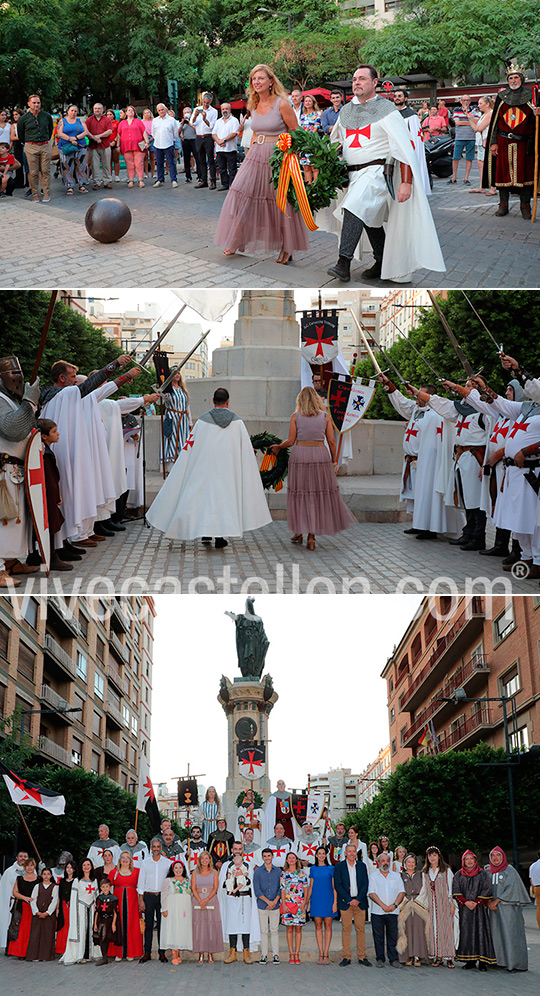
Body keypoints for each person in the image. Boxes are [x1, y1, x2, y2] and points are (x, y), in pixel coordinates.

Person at [324, 65, 445, 283]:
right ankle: (381, 261)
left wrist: (406, 182)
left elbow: (403, 147)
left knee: (354, 206)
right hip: (352, 174)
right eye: (354, 79)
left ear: (374, 82)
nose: (356, 83)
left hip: (376, 171)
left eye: (362, 79)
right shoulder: (346, 111)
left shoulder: (387, 109)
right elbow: (336, 143)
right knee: (371, 218)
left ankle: (343, 263)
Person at [147, 387, 271, 550]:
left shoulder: (203, 421)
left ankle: (206, 533)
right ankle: (219, 537)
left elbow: (190, 446)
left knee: (207, 500)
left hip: (205, 469)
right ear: (228, 402)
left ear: (213, 401)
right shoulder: (238, 422)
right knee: (223, 501)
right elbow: (245, 448)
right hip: (228, 470)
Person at [215, 64, 310, 265]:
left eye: (261, 78)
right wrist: (249, 155)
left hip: (278, 158)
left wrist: (290, 157)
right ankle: (236, 239)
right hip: (255, 155)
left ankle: (287, 248)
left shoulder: (282, 104)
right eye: (254, 79)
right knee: (241, 193)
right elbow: (256, 133)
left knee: (280, 201)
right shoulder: (253, 104)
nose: (256, 82)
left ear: (270, 81)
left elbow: (296, 132)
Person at [270, 386, 356, 552]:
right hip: (320, 456)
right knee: (316, 494)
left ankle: (298, 532)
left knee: (300, 493)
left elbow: (290, 440)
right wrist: (334, 460)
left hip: (300, 454)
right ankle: (311, 536)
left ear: (300, 400)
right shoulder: (325, 417)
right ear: (316, 399)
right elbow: (331, 441)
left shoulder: (295, 417)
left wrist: (279, 447)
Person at [411, 381, 489, 552]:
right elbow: (440, 403)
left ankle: (478, 537)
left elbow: (492, 439)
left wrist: (486, 462)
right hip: (461, 457)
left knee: (476, 500)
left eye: (469, 387)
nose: (465, 389)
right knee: (466, 497)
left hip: (475, 457)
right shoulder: (461, 410)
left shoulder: (484, 412)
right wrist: (418, 393)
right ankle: (468, 533)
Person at [0, 356, 39, 586]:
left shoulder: (9, 400)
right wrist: (29, 403)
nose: (18, 378)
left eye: (19, 372)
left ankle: (11, 561)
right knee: (4, 520)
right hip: (4, 470)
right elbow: (12, 429)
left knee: (15, 522)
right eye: (12, 374)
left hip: (15, 469)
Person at [483, 65, 540, 219]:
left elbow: (536, 124)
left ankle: (525, 206)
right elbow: (495, 122)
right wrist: (493, 142)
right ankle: (503, 205)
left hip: (524, 143)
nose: (513, 80)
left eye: (516, 77)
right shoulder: (502, 97)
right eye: (511, 78)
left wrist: (537, 113)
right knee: (503, 174)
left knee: (526, 174)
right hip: (503, 142)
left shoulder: (531, 97)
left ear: (521, 79)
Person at [488, 846, 530, 971]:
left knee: (510, 935)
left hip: (508, 909)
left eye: (498, 855)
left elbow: (512, 888)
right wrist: (489, 901)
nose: (495, 858)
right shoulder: (487, 872)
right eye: (493, 855)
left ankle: (514, 963)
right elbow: (484, 888)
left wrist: (497, 900)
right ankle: (498, 961)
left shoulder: (510, 870)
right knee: (496, 935)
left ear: (503, 857)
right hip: (493, 911)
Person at [453, 849, 496, 970]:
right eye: (467, 859)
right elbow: (456, 891)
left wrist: (477, 902)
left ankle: (483, 961)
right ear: (463, 861)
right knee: (467, 934)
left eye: (471, 859)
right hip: (465, 910)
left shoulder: (482, 874)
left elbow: (487, 889)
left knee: (481, 933)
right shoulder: (458, 874)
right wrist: (466, 902)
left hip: (480, 910)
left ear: (475, 860)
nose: (469, 861)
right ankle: (470, 961)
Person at [335, 843, 370, 967]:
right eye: (349, 851)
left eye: (353, 851)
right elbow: (338, 885)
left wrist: (358, 899)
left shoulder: (362, 866)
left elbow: (366, 884)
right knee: (346, 929)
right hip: (346, 903)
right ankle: (346, 957)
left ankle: (362, 957)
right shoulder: (339, 866)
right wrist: (349, 900)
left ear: (356, 853)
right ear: (345, 853)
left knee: (360, 929)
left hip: (360, 902)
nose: (351, 853)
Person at [368, 850, 405, 968]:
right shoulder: (373, 876)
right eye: (382, 861)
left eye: (387, 860)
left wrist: (394, 905)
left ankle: (393, 959)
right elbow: (372, 893)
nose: (385, 863)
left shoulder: (396, 876)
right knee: (378, 937)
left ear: (390, 862)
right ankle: (380, 959)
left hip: (393, 911)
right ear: (378, 862)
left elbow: (401, 892)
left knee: (392, 936)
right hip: (377, 911)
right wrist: (383, 905)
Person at [60, 859, 100, 964]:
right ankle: (80, 954)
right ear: (81, 867)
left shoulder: (94, 880)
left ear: (91, 866)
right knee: (81, 930)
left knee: (91, 930)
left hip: (91, 909)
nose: (86, 867)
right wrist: (75, 913)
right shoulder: (77, 881)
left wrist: (97, 909)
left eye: (88, 865)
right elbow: (74, 898)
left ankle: (91, 954)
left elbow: (96, 896)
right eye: (84, 865)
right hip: (80, 909)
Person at [220, 848, 257, 963]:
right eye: (235, 849)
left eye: (239, 849)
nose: (237, 851)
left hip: (244, 899)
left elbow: (251, 882)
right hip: (231, 899)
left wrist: (243, 876)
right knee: (232, 926)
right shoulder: (226, 865)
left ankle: (246, 953)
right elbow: (223, 883)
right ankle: (233, 953)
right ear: (232, 850)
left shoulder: (248, 865)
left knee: (245, 925)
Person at [137, 837, 171, 962]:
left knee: (162, 926)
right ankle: (147, 953)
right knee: (149, 926)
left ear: (161, 848)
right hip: (149, 896)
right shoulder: (145, 863)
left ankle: (162, 952)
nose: (156, 849)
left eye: (158, 846)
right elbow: (141, 883)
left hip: (162, 897)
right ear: (151, 848)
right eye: (154, 847)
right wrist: (141, 900)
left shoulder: (167, 863)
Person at [422, 846, 457, 968]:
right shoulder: (426, 872)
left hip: (444, 904)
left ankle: (449, 957)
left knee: (446, 930)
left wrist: (451, 903)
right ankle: (438, 957)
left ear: (439, 856)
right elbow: (424, 890)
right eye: (430, 855)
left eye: (434, 855)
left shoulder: (446, 870)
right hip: (432, 905)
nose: (432, 857)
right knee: (434, 930)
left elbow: (450, 888)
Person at [392, 89, 431, 195]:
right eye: (395, 96)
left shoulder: (411, 115)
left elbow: (415, 137)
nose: (397, 98)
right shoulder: (391, 114)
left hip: (406, 151)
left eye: (400, 96)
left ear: (405, 99)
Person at [16, 95, 53, 202]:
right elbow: (21, 134)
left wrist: (45, 140)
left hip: (45, 145)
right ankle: (35, 194)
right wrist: (28, 143)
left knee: (46, 170)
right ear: (29, 104)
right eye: (34, 103)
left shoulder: (46, 116)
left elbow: (50, 130)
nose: (36, 105)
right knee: (33, 172)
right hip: (30, 146)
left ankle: (46, 192)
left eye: (38, 102)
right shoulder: (23, 119)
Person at [108, 850, 143, 961]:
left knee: (132, 926)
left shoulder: (137, 872)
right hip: (118, 902)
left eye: (127, 857)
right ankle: (118, 953)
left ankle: (131, 952)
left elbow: (142, 887)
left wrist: (141, 901)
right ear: (119, 859)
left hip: (132, 903)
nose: (125, 859)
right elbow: (106, 887)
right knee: (118, 925)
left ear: (131, 860)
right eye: (123, 857)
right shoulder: (114, 872)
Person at [191, 849, 223, 963]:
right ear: (199, 860)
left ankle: (210, 953)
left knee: (211, 927)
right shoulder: (195, 872)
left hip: (211, 900)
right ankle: (200, 953)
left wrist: (207, 899)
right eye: (202, 858)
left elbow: (215, 888)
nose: (204, 860)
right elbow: (193, 888)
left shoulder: (214, 872)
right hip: (197, 900)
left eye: (206, 858)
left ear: (210, 860)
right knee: (199, 927)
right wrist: (200, 900)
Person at [397, 853, 429, 966]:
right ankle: (407, 956)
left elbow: (425, 889)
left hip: (418, 906)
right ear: (404, 864)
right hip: (405, 905)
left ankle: (419, 956)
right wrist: (406, 901)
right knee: (406, 930)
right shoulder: (399, 876)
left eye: (412, 862)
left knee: (418, 930)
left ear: (415, 864)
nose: (410, 864)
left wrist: (416, 902)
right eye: (408, 862)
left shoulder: (422, 875)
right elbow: (398, 890)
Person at [308, 846, 337, 964]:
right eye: (319, 853)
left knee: (328, 926)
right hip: (316, 900)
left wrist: (335, 903)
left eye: (323, 853)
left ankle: (326, 953)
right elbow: (310, 887)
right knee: (318, 926)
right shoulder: (313, 869)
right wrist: (306, 902)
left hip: (328, 900)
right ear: (316, 855)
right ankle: (321, 953)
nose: (321, 855)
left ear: (326, 855)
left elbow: (335, 887)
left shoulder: (331, 868)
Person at [161, 860, 193, 964]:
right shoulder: (168, 881)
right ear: (172, 869)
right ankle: (174, 953)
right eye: (176, 868)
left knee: (182, 929)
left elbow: (191, 895)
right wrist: (164, 909)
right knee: (173, 928)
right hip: (172, 908)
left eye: (180, 868)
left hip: (185, 909)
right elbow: (164, 896)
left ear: (183, 869)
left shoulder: (188, 880)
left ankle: (178, 953)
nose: (178, 870)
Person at [280, 851, 309, 963]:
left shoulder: (302, 874)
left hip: (299, 906)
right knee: (289, 929)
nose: (291, 860)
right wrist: (283, 904)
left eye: (293, 858)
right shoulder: (284, 874)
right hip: (288, 905)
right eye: (289, 858)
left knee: (298, 929)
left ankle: (297, 953)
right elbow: (282, 890)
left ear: (297, 860)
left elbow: (306, 890)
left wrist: (304, 903)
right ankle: (291, 953)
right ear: (287, 860)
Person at [253, 847, 281, 964]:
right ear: (262, 857)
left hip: (275, 905)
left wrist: (274, 901)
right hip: (262, 905)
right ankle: (263, 955)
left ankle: (276, 955)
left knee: (274, 930)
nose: (267, 858)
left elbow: (281, 888)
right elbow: (257, 890)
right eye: (265, 856)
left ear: (272, 856)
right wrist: (268, 902)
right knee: (263, 931)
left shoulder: (279, 871)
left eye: (269, 856)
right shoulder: (258, 872)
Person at [161, 370, 192, 472]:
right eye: (175, 373)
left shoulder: (183, 390)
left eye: (178, 373)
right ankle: (171, 468)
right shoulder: (168, 390)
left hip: (183, 419)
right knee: (172, 441)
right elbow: (158, 402)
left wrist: (190, 422)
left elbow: (187, 407)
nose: (177, 375)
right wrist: (161, 391)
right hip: (172, 418)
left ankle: (183, 467)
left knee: (183, 441)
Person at [7, 857, 38, 959]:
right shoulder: (19, 879)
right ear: (25, 867)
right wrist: (25, 898)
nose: (29, 868)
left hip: (34, 908)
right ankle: (20, 953)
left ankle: (31, 952)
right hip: (22, 908)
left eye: (31, 865)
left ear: (34, 866)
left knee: (32, 930)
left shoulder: (39, 879)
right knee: (21, 930)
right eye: (27, 865)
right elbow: (14, 892)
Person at [25, 868, 58, 962]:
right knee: (36, 934)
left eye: (48, 874)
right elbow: (33, 899)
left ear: (51, 876)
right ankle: (34, 956)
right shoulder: (37, 886)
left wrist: (47, 913)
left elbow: (54, 901)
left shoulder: (54, 887)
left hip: (48, 915)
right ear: (41, 875)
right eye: (44, 874)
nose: (46, 876)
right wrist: (36, 912)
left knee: (47, 935)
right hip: (38, 914)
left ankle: (46, 956)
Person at [56, 105, 90, 195]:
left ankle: (82, 184)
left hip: (80, 145)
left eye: (75, 111)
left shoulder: (80, 121)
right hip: (66, 146)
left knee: (82, 165)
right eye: (72, 110)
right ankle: (69, 185)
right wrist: (70, 139)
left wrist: (76, 138)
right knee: (66, 166)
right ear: (67, 111)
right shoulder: (62, 121)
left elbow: (86, 132)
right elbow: (59, 133)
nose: (73, 113)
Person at [466, 96, 496, 195]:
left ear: (487, 104)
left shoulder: (490, 113)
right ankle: (482, 186)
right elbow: (478, 125)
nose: (478, 106)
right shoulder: (484, 114)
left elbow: (478, 128)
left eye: (480, 104)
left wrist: (470, 120)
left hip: (486, 141)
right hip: (481, 141)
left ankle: (492, 187)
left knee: (489, 164)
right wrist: (472, 119)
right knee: (480, 164)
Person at [447, 95, 478, 185]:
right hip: (459, 137)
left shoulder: (474, 110)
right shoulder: (456, 110)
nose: (466, 102)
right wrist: (470, 121)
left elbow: (476, 121)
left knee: (469, 158)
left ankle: (466, 178)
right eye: (464, 100)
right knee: (455, 158)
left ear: (470, 101)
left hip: (471, 137)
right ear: (460, 101)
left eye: (467, 100)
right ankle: (454, 177)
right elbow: (457, 122)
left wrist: (467, 115)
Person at [118, 106, 150, 188]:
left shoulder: (138, 121)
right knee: (129, 163)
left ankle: (140, 180)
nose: (131, 112)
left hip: (139, 144)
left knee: (139, 162)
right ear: (126, 112)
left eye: (132, 110)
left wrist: (147, 142)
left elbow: (144, 132)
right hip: (126, 145)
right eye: (129, 110)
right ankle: (131, 180)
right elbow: (119, 135)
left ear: (134, 112)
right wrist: (118, 145)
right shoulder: (122, 123)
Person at [191, 93, 218, 188]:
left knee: (211, 159)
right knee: (200, 159)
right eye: (205, 102)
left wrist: (205, 119)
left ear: (211, 102)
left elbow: (212, 126)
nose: (206, 104)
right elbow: (192, 123)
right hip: (198, 137)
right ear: (202, 100)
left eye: (208, 103)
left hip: (208, 137)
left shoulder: (214, 111)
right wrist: (195, 116)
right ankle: (203, 180)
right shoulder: (196, 109)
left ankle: (213, 181)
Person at [93, 875, 120, 965]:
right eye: (103, 887)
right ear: (100, 888)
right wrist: (95, 924)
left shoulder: (114, 899)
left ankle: (105, 957)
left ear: (110, 887)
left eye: (107, 886)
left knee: (107, 937)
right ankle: (104, 957)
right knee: (101, 938)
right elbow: (97, 911)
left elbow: (115, 912)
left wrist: (113, 924)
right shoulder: (99, 898)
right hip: (101, 920)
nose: (105, 888)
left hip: (109, 920)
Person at [85, 102, 113, 189]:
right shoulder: (89, 120)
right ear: (93, 110)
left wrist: (99, 136)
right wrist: (94, 138)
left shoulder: (107, 120)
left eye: (99, 108)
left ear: (103, 110)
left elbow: (109, 131)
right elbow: (86, 132)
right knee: (94, 165)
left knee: (106, 164)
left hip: (105, 145)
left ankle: (107, 181)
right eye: (95, 108)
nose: (97, 110)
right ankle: (96, 182)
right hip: (93, 146)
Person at [212, 103, 239, 191]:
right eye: (223, 109)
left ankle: (233, 185)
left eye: (226, 109)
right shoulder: (218, 121)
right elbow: (213, 133)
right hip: (220, 149)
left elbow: (234, 133)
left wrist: (224, 140)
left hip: (230, 149)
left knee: (232, 169)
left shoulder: (234, 120)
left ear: (230, 110)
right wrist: (219, 141)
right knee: (222, 168)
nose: (224, 111)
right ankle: (225, 184)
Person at [151, 103, 179, 188]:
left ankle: (173, 179)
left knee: (171, 163)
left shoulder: (171, 120)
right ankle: (160, 179)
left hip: (169, 144)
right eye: (159, 110)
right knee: (159, 163)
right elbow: (153, 133)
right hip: (158, 145)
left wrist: (171, 141)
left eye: (162, 109)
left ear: (165, 109)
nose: (161, 111)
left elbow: (175, 134)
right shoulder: (155, 120)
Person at [298, 94, 322, 185]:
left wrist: (309, 136)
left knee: (314, 168)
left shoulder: (317, 114)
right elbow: (301, 128)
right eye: (306, 101)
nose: (307, 103)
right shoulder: (303, 116)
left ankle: (316, 189)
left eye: (309, 101)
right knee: (306, 167)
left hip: (313, 142)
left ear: (313, 102)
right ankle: (308, 189)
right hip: (304, 143)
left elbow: (316, 128)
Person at [55, 859, 77, 955]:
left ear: (74, 869)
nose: (69, 869)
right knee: (63, 927)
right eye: (67, 867)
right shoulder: (62, 881)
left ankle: (72, 950)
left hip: (73, 906)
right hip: (63, 906)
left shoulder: (77, 881)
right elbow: (59, 896)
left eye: (71, 867)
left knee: (71, 926)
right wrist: (57, 908)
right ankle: (61, 949)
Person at [179, 108, 196, 183]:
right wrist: (183, 124)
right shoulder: (182, 122)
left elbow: (197, 130)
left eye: (188, 112)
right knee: (186, 159)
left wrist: (189, 123)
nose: (187, 114)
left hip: (194, 140)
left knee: (197, 158)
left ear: (191, 113)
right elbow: (178, 132)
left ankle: (200, 175)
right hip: (186, 141)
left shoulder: (194, 121)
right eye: (185, 112)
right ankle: (188, 176)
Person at [106, 109, 121, 181]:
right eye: (107, 115)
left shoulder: (117, 123)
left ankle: (117, 175)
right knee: (109, 160)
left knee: (116, 159)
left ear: (113, 115)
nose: (109, 116)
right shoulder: (105, 123)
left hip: (114, 142)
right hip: (107, 143)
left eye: (110, 114)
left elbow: (119, 133)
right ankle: (110, 175)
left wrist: (115, 141)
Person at [530, 849, 540, 931]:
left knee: (539, 908)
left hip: (537, 887)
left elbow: (531, 879)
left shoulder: (533, 865)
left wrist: (533, 889)